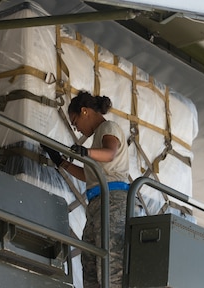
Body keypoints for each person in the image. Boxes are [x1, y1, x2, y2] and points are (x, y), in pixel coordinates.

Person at [42, 91, 130, 288]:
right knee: (90, 261)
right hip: (97, 204)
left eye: (75, 122)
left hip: (113, 201)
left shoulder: (108, 127)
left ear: (84, 112)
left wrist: (86, 152)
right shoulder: (96, 139)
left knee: (110, 262)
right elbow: (88, 176)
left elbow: (109, 153)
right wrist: (60, 162)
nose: (77, 129)